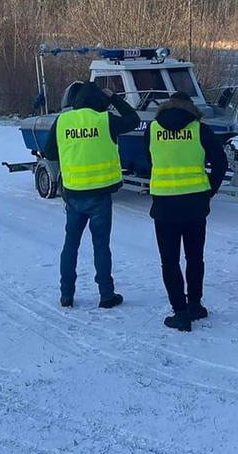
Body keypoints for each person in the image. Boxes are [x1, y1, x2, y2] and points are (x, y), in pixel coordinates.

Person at [41, 81, 140, 309]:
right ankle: (106, 295)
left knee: (70, 245)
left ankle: (67, 294)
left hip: (73, 195)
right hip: (100, 196)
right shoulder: (105, 120)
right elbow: (134, 120)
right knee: (101, 246)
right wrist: (114, 98)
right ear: (99, 101)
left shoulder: (63, 121)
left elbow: (49, 152)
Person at [145, 91, 228, 332]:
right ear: (190, 108)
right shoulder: (200, 129)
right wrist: (209, 190)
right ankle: (195, 304)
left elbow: (148, 159)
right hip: (195, 204)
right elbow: (220, 162)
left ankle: (179, 312)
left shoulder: (152, 130)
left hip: (164, 204)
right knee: (194, 257)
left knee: (169, 261)